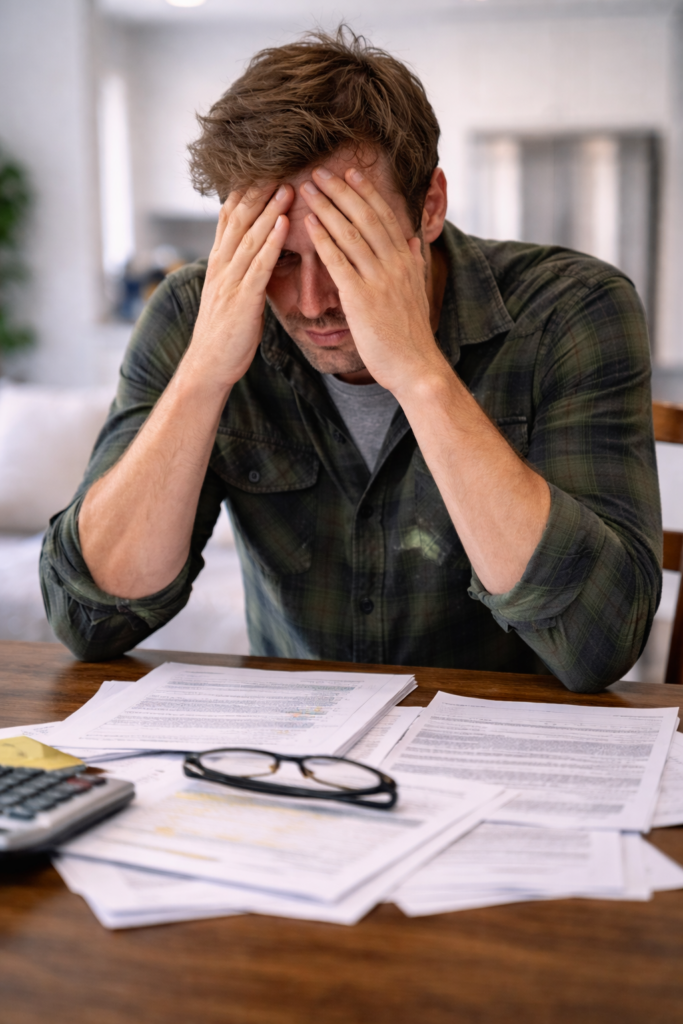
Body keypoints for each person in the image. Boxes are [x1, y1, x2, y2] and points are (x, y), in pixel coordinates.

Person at [40, 28, 661, 692]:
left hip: (507, 738)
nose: (312, 302)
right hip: (293, 736)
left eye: (347, 250)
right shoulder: (196, 311)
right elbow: (89, 621)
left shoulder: (573, 308)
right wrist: (203, 374)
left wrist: (419, 373)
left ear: (428, 207)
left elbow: (598, 642)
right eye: (279, 258)